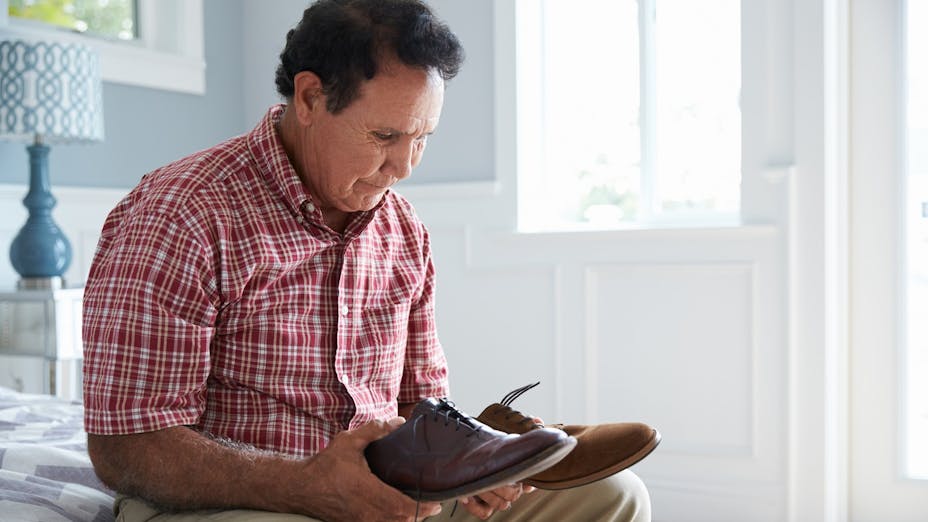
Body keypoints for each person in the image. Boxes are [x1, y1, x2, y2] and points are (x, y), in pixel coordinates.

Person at [82, 1, 652, 521]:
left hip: (388, 496)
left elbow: (418, 405)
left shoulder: (404, 231)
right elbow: (126, 446)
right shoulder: (180, 214)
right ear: (309, 98)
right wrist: (306, 484)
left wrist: (468, 469)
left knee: (616, 496)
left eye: (422, 136)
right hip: (242, 502)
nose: (405, 165)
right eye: (384, 135)